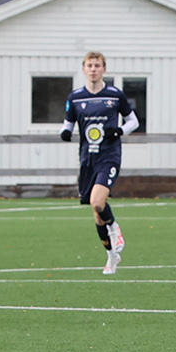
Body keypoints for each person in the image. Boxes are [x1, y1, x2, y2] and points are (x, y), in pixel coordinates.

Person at [61, 52, 139, 274]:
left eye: (97, 65)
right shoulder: (75, 97)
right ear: (83, 69)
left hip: (109, 156)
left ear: (104, 69)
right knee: (97, 212)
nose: (93, 69)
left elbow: (133, 120)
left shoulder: (114, 95)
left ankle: (114, 227)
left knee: (97, 202)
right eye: (89, 65)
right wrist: (65, 133)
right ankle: (111, 255)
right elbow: (67, 123)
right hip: (88, 158)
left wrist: (120, 130)